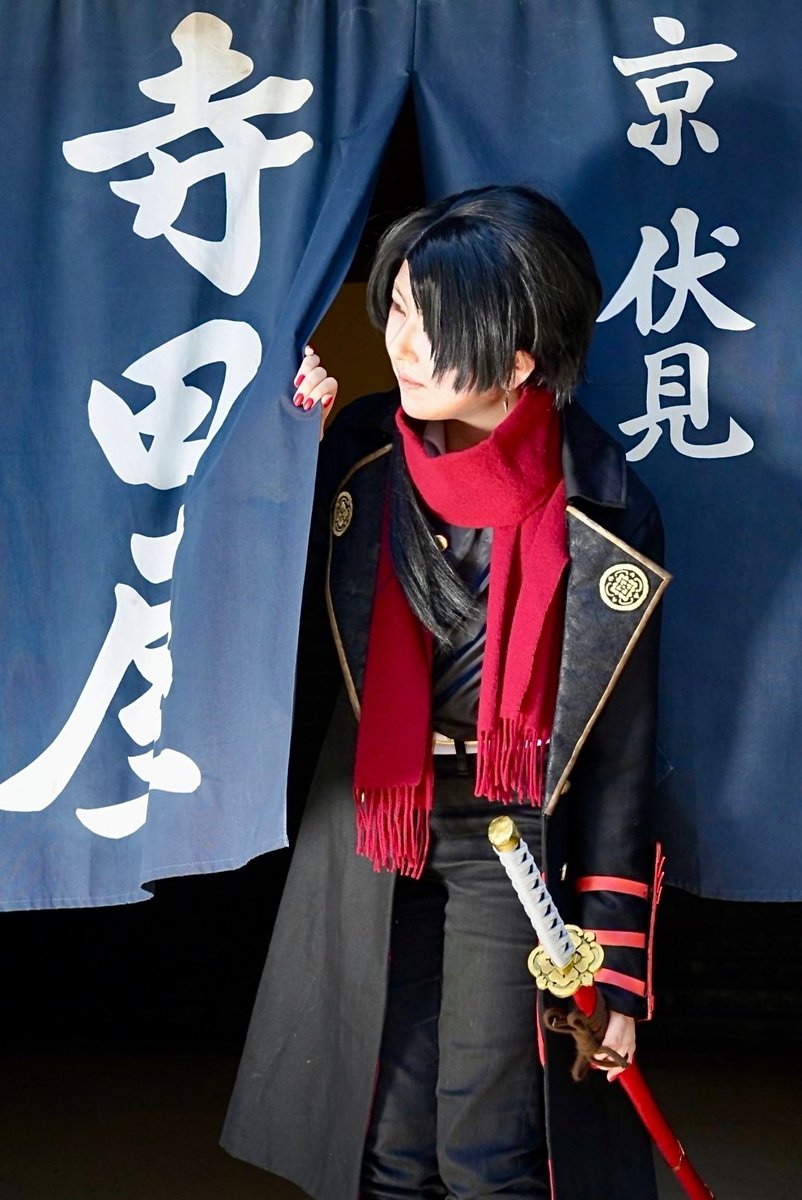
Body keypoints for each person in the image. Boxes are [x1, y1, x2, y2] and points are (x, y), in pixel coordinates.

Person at [221, 185, 668, 1200]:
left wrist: (614, 966)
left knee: (487, 1150)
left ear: (519, 359)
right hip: (376, 815)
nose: (402, 343)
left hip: (513, 837)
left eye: (435, 323)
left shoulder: (604, 503)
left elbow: (620, 754)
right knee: (382, 1147)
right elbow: (239, 596)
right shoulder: (355, 455)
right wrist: (279, 449)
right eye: (397, 308)